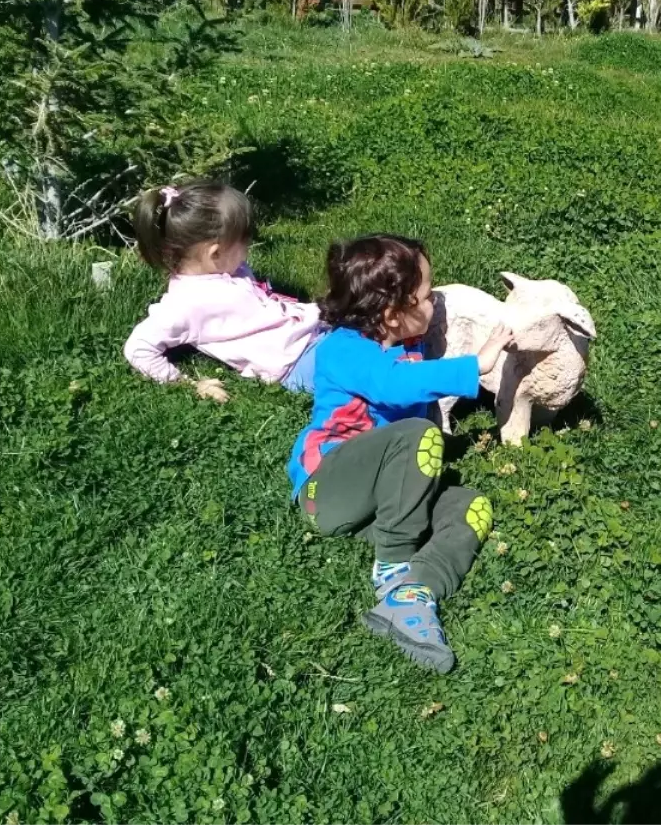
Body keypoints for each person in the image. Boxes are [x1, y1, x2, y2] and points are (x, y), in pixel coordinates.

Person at [287, 234, 514, 674]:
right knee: (418, 435)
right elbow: (391, 386)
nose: (435, 303)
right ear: (392, 314)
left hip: (379, 503)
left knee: (471, 507)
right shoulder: (343, 350)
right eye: (427, 296)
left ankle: (410, 598)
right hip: (327, 491)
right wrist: (476, 366)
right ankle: (393, 563)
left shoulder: (407, 347)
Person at [123, 182, 325, 400]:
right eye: (244, 242)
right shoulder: (185, 305)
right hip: (297, 360)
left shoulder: (226, 269)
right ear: (216, 253)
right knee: (361, 362)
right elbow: (138, 348)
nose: (247, 250)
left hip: (312, 334)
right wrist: (186, 384)